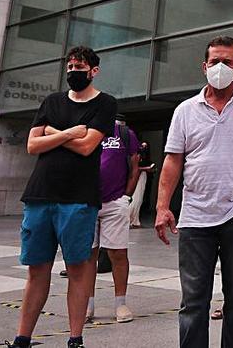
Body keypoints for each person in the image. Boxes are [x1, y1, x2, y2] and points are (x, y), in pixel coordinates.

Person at [153, 36, 233, 348]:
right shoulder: (185, 109)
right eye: (215, 62)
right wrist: (162, 206)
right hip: (194, 216)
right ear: (203, 66)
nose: (220, 67)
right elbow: (173, 160)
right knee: (193, 301)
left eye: (228, 62)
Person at [12, 46, 116, 348]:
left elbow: (88, 147)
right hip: (40, 195)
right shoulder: (52, 101)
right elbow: (32, 145)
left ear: (94, 70)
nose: (74, 71)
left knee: (78, 268)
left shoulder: (105, 103)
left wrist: (52, 135)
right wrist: (69, 132)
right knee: (37, 268)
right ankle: (23, 338)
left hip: (79, 197)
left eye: (80, 67)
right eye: (70, 66)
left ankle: (75, 338)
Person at [85, 115, 140, 324]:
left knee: (118, 253)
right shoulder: (84, 131)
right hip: (87, 202)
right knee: (87, 256)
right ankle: (87, 304)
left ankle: (120, 303)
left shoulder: (125, 134)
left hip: (115, 201)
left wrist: (126, 196)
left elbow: (135, 166)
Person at [130, 141, 155, 227]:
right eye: (142, 146)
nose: (144, 148)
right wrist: (146, 168)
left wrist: (151, 169)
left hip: (143, 177)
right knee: (135, 198)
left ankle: (135, 219)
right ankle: (129, 218)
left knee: (139, 199)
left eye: (146, 147)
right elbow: (135, 167)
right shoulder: (136, 155)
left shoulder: (146, 158)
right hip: (137, 176)